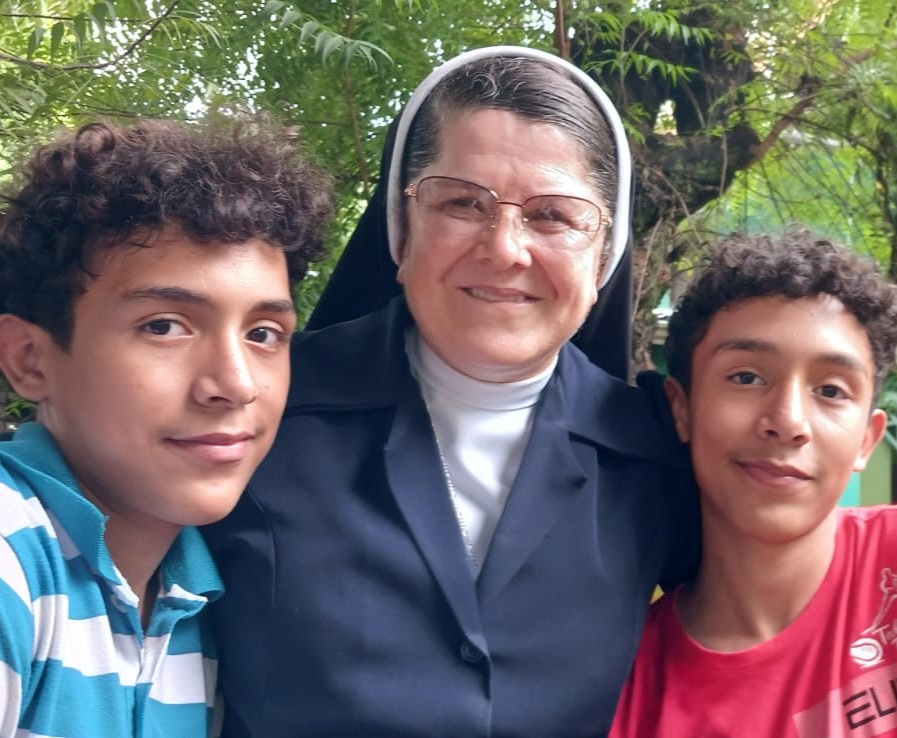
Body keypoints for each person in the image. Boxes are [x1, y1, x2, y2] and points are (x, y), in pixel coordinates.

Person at [201, 45, 701, 738]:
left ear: (603, 255)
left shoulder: (657, 457)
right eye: (462, 202)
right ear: (400, 232)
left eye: (553, 216)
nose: (504, 248)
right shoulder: (256, 406)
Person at [0, 116, 331, 737]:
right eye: (164, 326)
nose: (235, 384)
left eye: (263, 334)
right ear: (29, 359)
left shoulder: (190, 601)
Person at [609, 231, 897, 737]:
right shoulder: (630, 694)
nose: (788, 421)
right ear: (682, 407)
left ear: (866, 439)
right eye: (746, 377)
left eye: (831, 390)